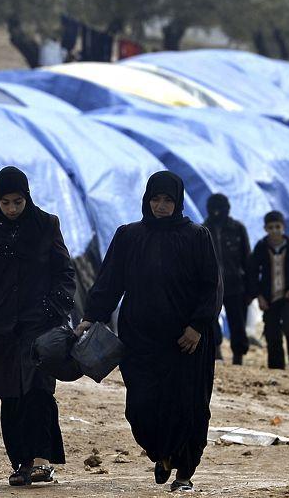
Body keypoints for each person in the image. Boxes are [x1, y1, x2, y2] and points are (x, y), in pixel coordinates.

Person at [77, 171, 222, 494]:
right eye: (155, 199)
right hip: (140, 338)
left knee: (188, 406)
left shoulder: (197, 237)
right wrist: (91, 317)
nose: (161, 206)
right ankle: (162, 454)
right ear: (146, 200)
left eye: (168, 200)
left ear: (178, 202)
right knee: (140, 406)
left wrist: (198, 326)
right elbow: (110, 280)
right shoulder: (129, 236)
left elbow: (211, 286)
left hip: (186, 342)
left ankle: (184, 472)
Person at [0, 166, 76, 487]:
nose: (12, 209)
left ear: (27, 198)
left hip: (39, 324)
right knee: (10, 395)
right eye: (5, 203)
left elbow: (64, 273)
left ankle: (42, 460)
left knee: (39, 391)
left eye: (17, 202)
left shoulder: (45, 225)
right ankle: (22, 463)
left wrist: (53, 308)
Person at [247, 210, 289, 370]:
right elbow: (252, 272)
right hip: (269, 298)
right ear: (265, 229)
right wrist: (258, 296)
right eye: (271, 227)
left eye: (277, 226)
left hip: (288, 297)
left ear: (283, 227)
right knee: (272, 332)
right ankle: (276, 368)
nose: (274, 230)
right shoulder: (261, 246)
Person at [204, 193, 252, 365]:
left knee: (237, 320)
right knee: (210, 319)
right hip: (212, 285)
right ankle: (216, 352)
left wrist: (250, 288)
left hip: (235, 284)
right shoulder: (204, 230)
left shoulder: (237, 229)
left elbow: (247, 259)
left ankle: (238, 355)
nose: (216, 212)